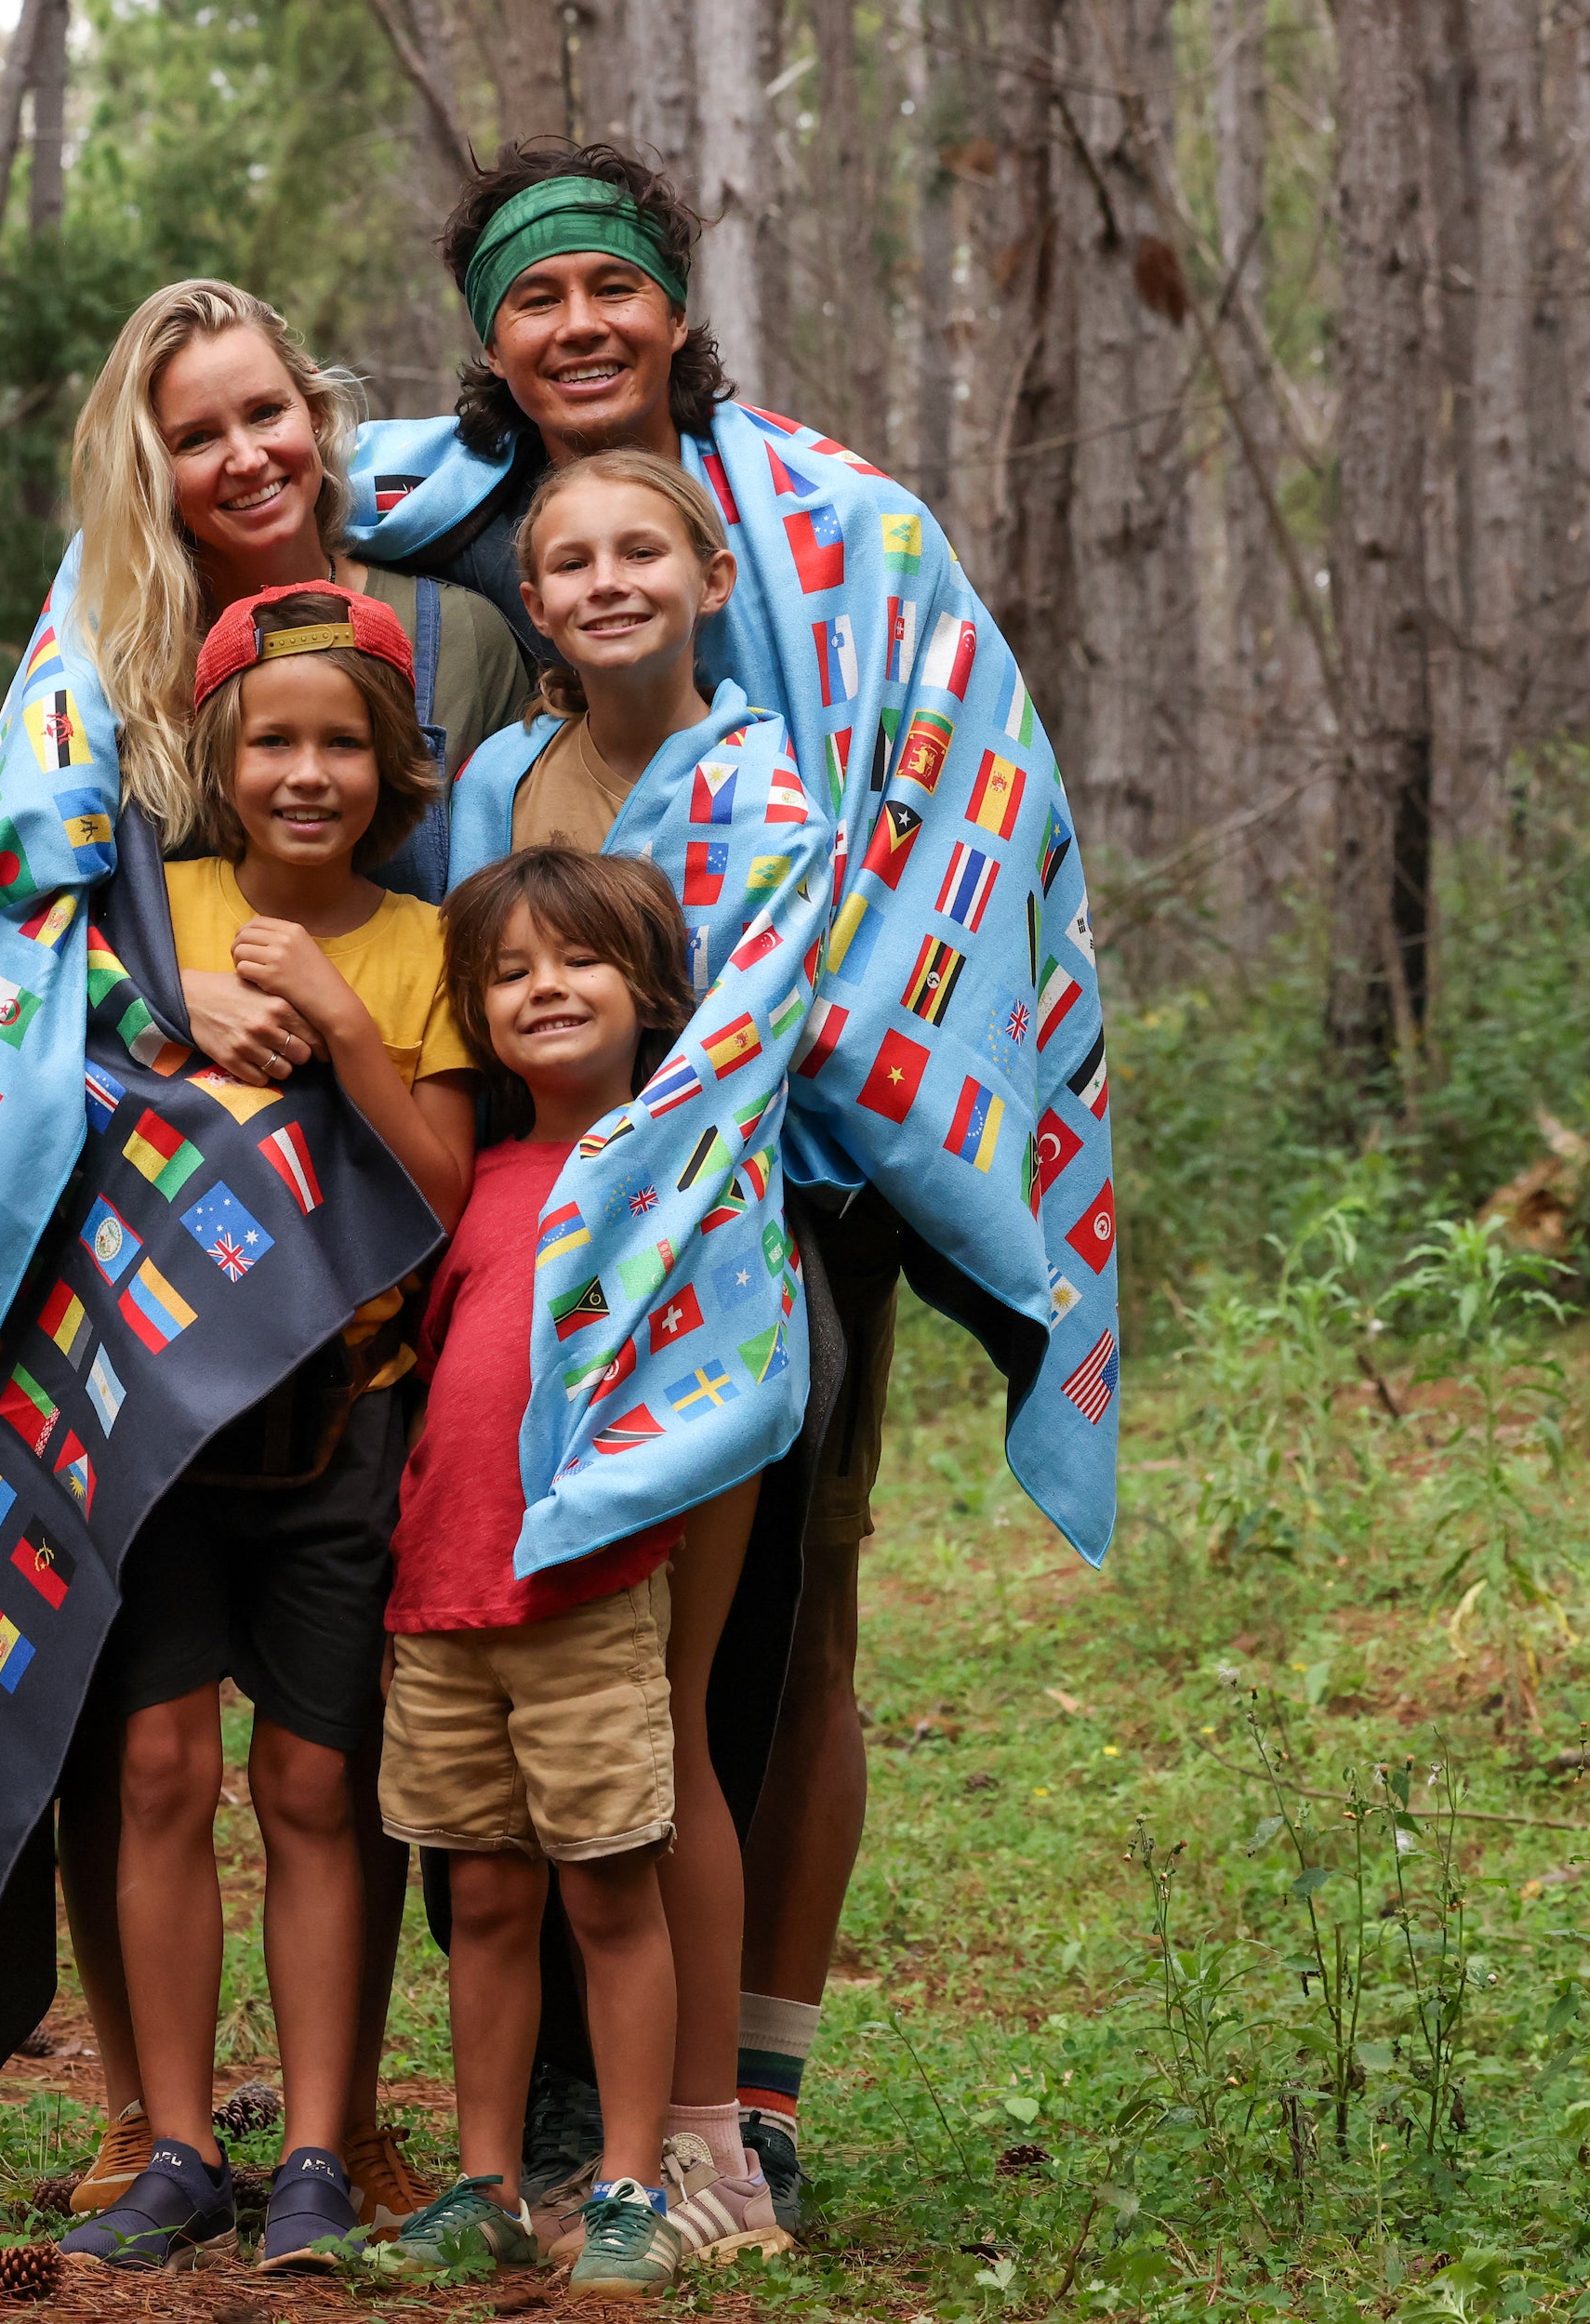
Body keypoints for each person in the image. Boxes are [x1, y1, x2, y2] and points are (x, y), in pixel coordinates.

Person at [341, 140, 1121, 2230]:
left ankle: (740, 2094)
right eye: (532, 299)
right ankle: (577, 2111)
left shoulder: (839, 526)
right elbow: (233, 498)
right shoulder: (480, 557)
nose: (577, 324)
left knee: (784, 1627)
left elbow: (962, 795)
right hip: (541, 1198)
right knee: (557, 1623)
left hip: (805, 1154)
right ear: (491, 349)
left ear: (676, 306)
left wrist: (849, 1069)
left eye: (612, 285)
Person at [44, 279, 528, 2238]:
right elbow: (49, 1051)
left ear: (396, 768)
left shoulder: (412, 949)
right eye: (273, 749)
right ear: (214, 762)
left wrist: (332, 1009)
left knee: (320, 1789)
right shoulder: (141, 900)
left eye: (345, 747)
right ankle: (169, 2136)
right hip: (161, 1407)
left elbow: (434, 1164)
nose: (307, 776)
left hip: (352, 1415)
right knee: (155, 1761)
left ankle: (320, 2141)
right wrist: (154, 1030)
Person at [448, 448, 793, 2262]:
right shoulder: (503, 777)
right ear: (531, 599)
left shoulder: (757, 782)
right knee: (521, 1736)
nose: (600, 578)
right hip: (520, 1284)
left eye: (636, 547)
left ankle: (708, 2144)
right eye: (562, 557)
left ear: (707, 569)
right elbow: (476, 984)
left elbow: (760, 1022)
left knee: (673, 1715)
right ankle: (532, 2151)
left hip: (701, 1288)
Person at [366, 848, 702, 2301]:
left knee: (611, 1897)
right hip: (441, 1602)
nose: (543, 990)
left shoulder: (674, 1168)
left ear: (648, 994)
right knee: (484, 1903)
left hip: (585, 1595)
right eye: (508, 973)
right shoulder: (473, 1181)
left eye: (576, 963)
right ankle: (486, 2181)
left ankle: (630, 2185)